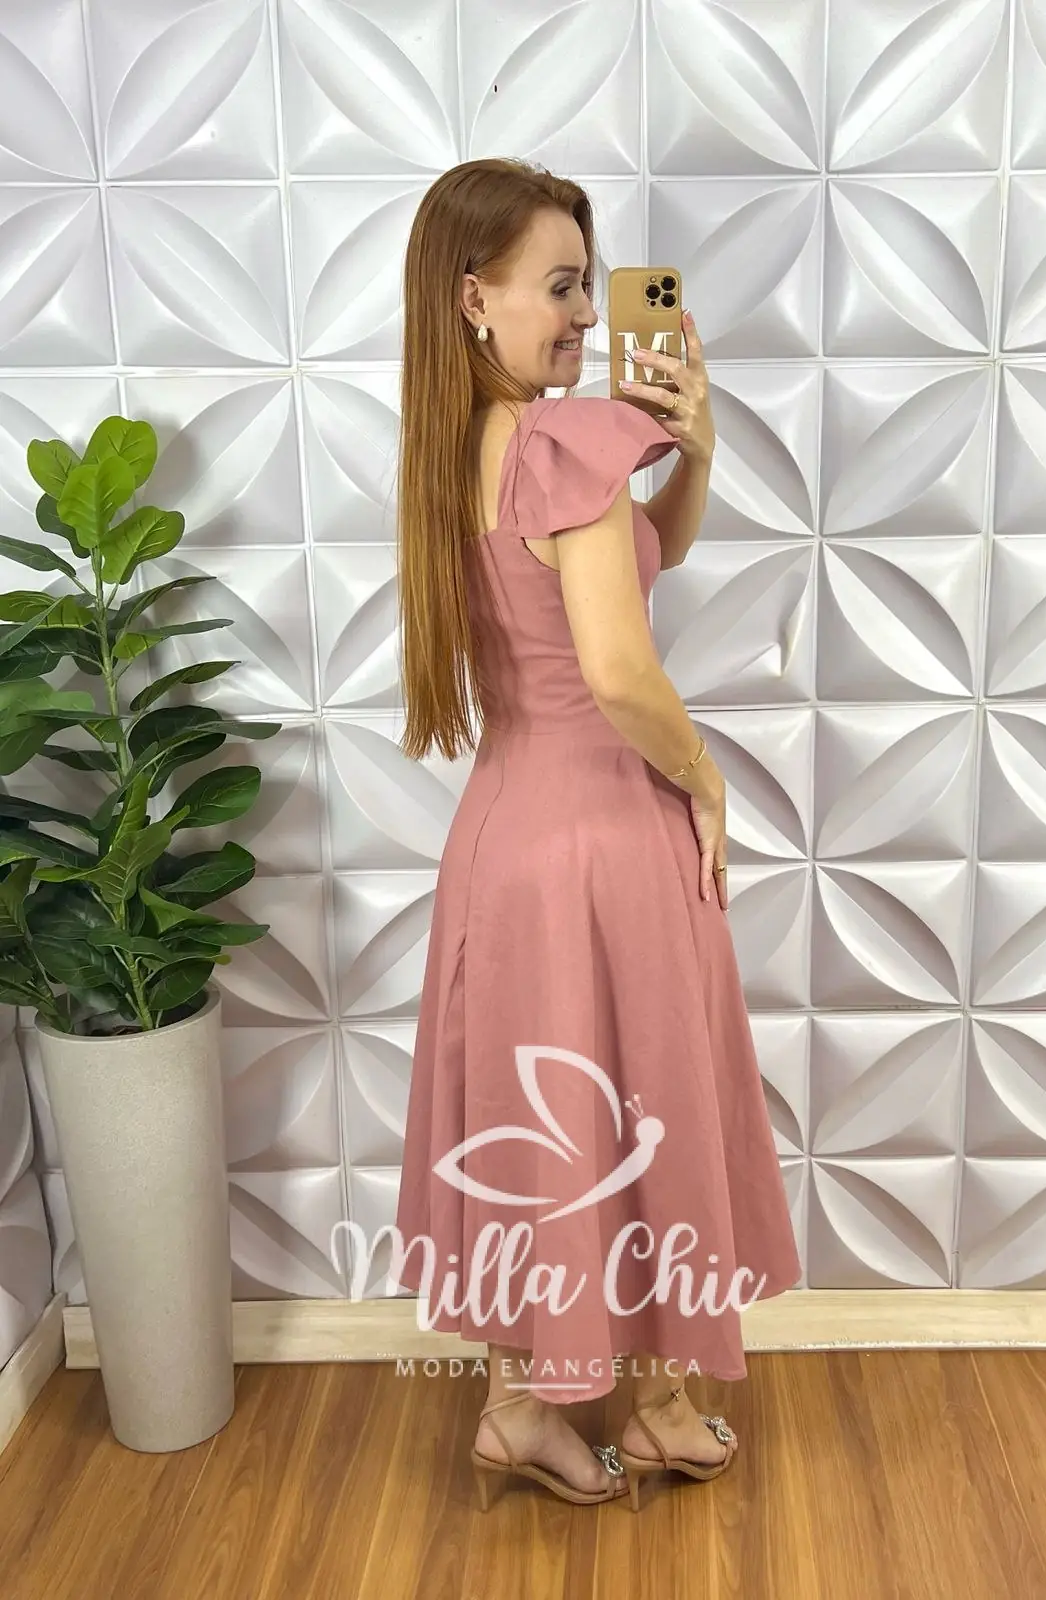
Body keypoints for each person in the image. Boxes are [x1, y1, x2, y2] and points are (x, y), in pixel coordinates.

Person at [392, 157, 801, 1512]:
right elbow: (621, 672)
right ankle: (663, 1404)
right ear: (473, 296)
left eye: (589, 285)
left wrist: (694, 452)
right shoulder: (564, 443)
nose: (582, 315)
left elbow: (637, 561)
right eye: (560, 286)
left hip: (504, 844)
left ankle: (525, 1408)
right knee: (646, 1107)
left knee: (537, 1119)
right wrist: (706, 780)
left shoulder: (462, 449)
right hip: (603, 837)